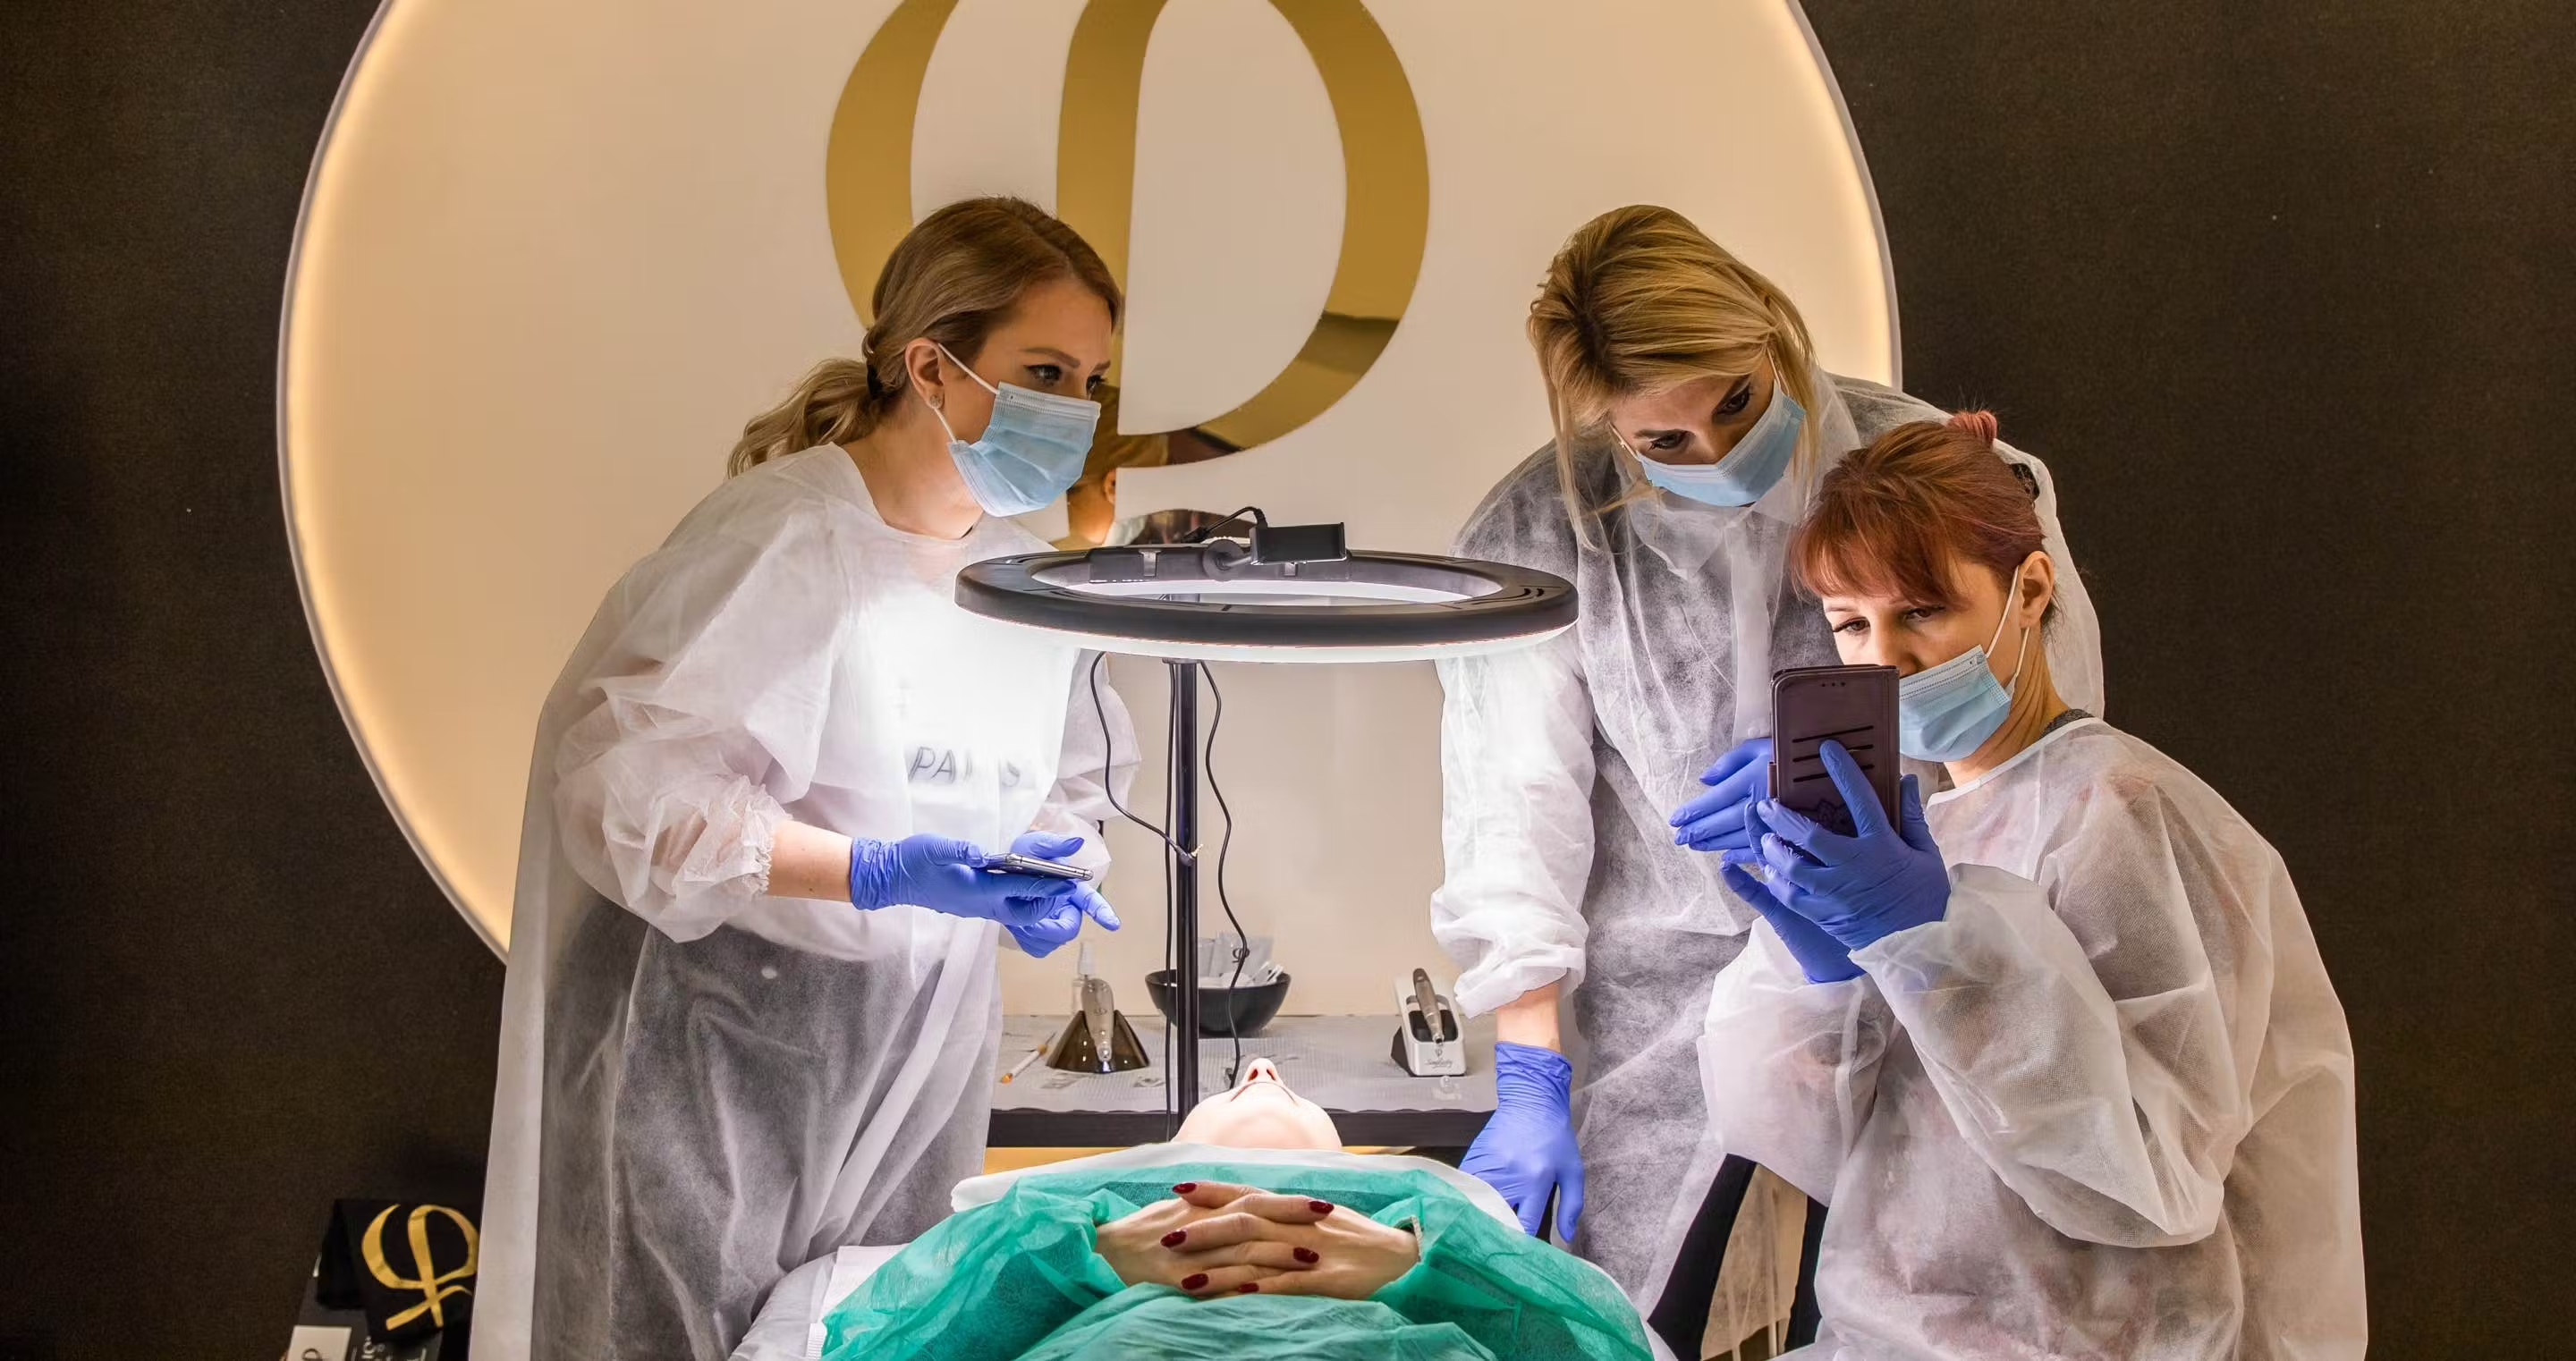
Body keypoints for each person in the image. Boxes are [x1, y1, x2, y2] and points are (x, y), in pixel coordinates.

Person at [475, 197, 1141, 1361]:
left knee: (880, 1331)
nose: (1073, 411)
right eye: (1043, 368)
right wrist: (876, 868)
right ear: (929, 364)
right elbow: (622, 794)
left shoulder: (1016, 579)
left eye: (1090, 380)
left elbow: (1067, 776)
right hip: (712, 1054)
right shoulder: (780, 544)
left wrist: (1052, 858)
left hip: (910, 1060)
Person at [1432, 204, 2106, 1299]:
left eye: (1739, 401)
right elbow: (1517, 813)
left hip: (1934, 991)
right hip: (1675, 1042)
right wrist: (1529, 1076)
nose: (1720, 452)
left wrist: (1910, 889)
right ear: (1606, 428)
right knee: (1674, 1312)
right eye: (1664, 442)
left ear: (1772, 330)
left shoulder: (1950, 476)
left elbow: (2043, 752)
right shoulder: (1539, 540)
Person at [1688, 413, 2363, 1357]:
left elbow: (2145, 1180)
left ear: (2031, 590)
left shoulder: (2127, 815)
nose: (1881, 657)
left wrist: (1933, 939)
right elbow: (1812, 1147)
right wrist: (1825, 977)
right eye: (1851, 623)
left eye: (1921, 612)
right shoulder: (1918, 826)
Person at [729, 1059, 1662, 1361]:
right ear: (1164, 1164)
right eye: (1242, 1080)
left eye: (1284, 1083)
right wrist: (1073, 1257)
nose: (1261, 1067)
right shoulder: (1046, 1224)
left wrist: (1432, 1264)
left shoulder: (1437, 1227)